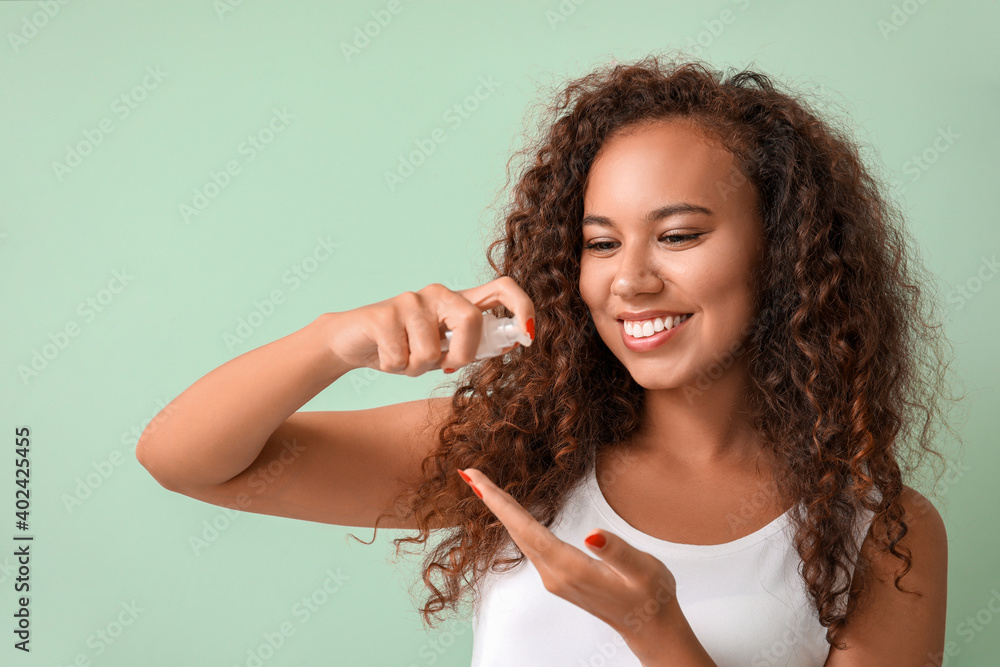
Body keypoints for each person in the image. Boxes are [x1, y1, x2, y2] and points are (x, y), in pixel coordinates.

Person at [137, 53, 958, 666]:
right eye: (600, 243)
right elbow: (186, 461)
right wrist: (335, 341)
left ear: (783, 254)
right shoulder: (517, 452)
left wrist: (654, 629)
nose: (630, 280)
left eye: (678, 235)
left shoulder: (885, 533)